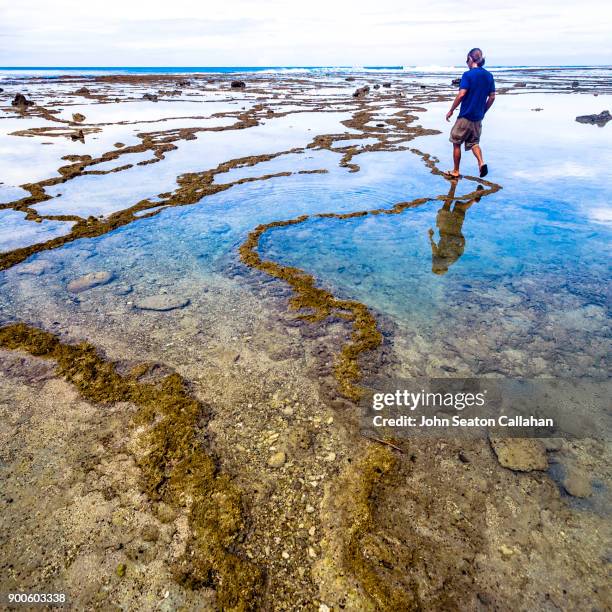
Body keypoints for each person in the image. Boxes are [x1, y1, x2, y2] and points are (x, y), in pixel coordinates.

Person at [445, 48, 495, 178]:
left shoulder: (468, 75)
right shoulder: (489, 76)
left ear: (471, 59)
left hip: (465, 116)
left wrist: (451, 110)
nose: (466, 62)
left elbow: (461, 95)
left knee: (456, 142)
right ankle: (481, 163)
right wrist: (483, 111)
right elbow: (492, 97)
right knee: (474, 143)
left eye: (467, 59)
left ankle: (455, 171)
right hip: (478, 118)